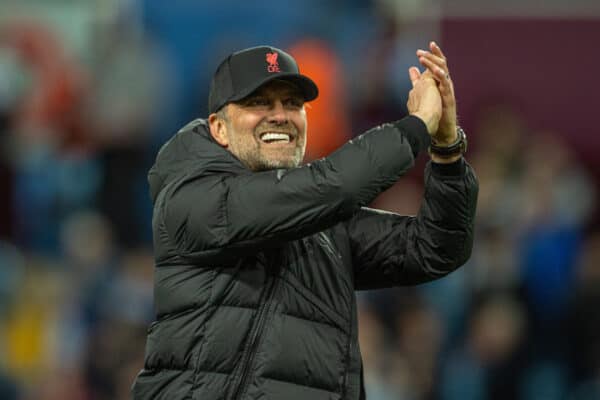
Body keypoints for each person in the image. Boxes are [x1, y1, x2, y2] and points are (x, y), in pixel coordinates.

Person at [132, 42, 478, 400]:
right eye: (259, 102)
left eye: (292, 104)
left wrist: (447, 149)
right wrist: (416, 126)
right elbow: (334, 185)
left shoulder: (326, 222)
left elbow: (437, 246)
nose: (280, 115)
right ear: (219, 128)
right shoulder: (190, 196)